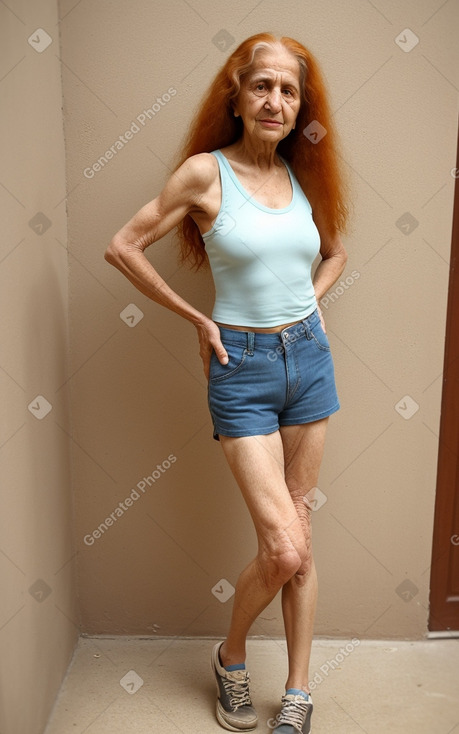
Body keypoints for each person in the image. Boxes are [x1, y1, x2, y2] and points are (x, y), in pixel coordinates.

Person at [105, 31, 349, 734]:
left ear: (300, 105)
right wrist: (196, 319)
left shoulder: (305, 175)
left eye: (289, 90)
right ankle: (231, 655)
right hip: (238, 369)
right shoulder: (204, 174)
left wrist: (312, 305)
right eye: (262, 85)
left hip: (308, 365)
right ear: (237, 96)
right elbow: (123, 244)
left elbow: (333, 254)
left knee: (301, 533)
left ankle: (297, 691)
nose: (275, 100)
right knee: (284, 548)